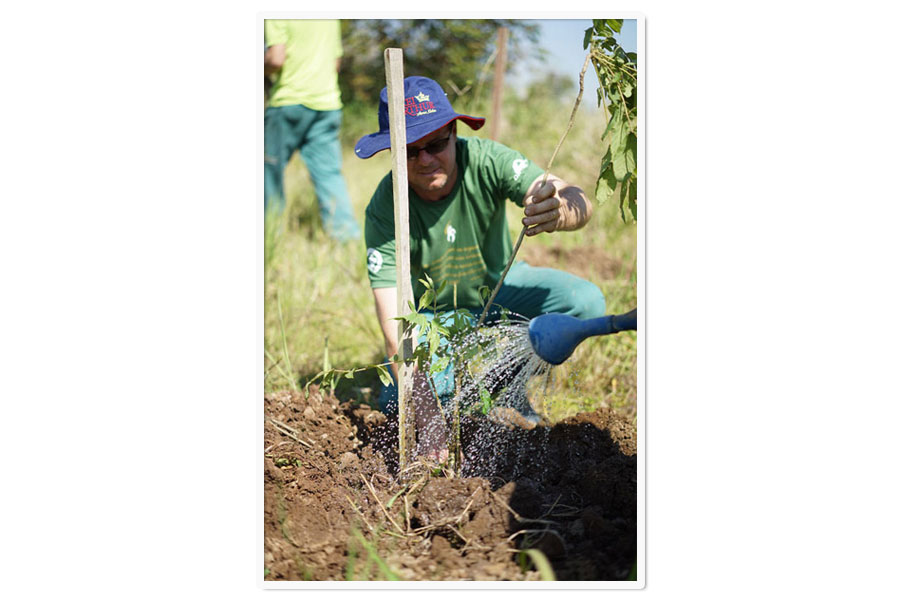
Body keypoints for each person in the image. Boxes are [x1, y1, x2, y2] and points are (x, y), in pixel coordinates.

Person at [355, 76, 606, 448]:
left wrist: (560, 211)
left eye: (437, 144)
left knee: (585, 304)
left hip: (501, 292)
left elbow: (573, 195)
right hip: (434, 318)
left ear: (454, 132)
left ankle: (509, 389)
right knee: (399, 402)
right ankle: (469, 401)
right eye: (410, 150)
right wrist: (429, 422)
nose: (425, 160)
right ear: (392, 151)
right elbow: (397, 325)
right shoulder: (384, 207)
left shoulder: (486, 160)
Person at [264, 19, 361, 241]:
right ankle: (346, 239)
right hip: (327, 103)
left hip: (288, 101)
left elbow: (276, 58)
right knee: (329, 174)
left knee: (269, 171)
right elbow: (335, 63)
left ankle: (268, 237)